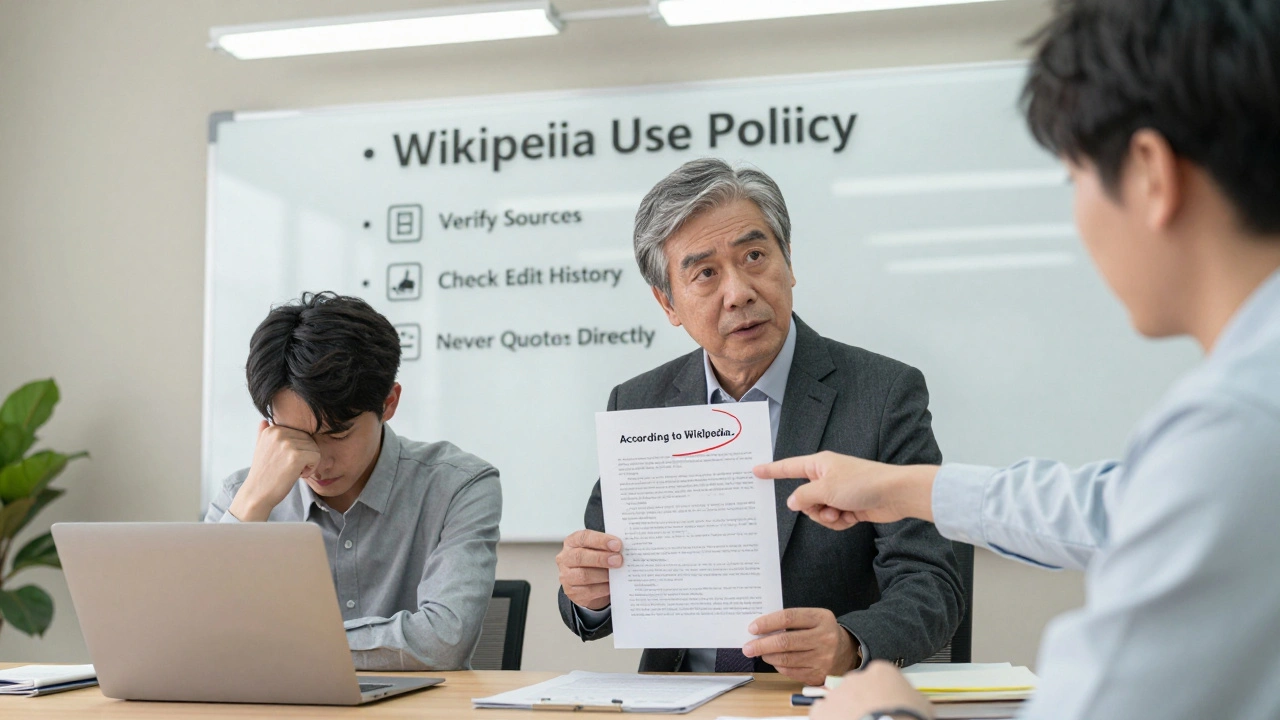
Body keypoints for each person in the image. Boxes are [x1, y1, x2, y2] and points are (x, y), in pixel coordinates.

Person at [754, 0, 1280, 718]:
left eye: (1075, 178)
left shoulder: (1235, 428)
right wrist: (901, 488)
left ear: (1151, 173)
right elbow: (1113, 506)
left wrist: (883, 714)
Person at [555, 158, 965, 685]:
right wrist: (587, 593)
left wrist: (850, 643)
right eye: (704, 273)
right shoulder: (638, 403)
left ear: (788, 262)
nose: (739, 291)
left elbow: (931, 582)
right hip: (678, 698)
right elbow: (591, 601)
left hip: (818, 703)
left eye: (754, 256)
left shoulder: (882, 395)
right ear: (668, 303)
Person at [205, 292, 502, 671]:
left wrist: (272, 644)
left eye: (337, 434)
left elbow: (444, 641)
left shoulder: (458, 487)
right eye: (294, 436)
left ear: (389, 403)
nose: (316, 461)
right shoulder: (240, 494)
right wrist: (251, 506)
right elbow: (194, 635)